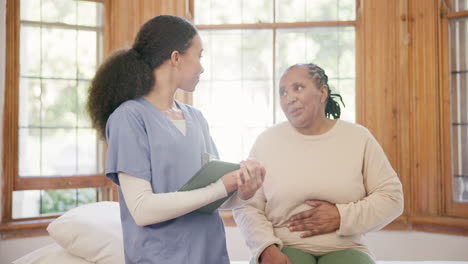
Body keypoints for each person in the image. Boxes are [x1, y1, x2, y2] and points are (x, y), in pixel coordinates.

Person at [86, 15, 265, 264]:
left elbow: (212, 197)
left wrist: (243, 190)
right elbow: (142, 209)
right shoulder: (128, 118)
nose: (202, 67)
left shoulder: (196, 118)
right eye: (199, 56)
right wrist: (222, 187)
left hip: (210, 255)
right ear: (176, 57)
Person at [233, 63, 404, 264]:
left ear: (322, 93)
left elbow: (392, 198)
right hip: (281, 246)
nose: (290, 97)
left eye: (298, 88)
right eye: (283, 92)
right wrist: (265, 248)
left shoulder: (358, 138)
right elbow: (246, 205)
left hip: (345, 247)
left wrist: (342, 216)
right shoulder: (266, 142)